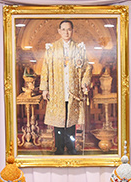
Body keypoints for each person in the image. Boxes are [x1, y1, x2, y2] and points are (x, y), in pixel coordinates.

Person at [39, 19, 92, 155]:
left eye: (69, 29)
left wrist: (84, 83)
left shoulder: (79, 48)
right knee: (58, 121)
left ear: (72, 31)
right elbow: (45, 68)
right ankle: (59, 147)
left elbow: (87, 67)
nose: (66, 32)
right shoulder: (52, 48)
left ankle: (71, 147)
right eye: (63, 29)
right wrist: (45, 88)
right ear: (59, 31)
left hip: (73, 90)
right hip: (57, 89)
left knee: (71, 121)